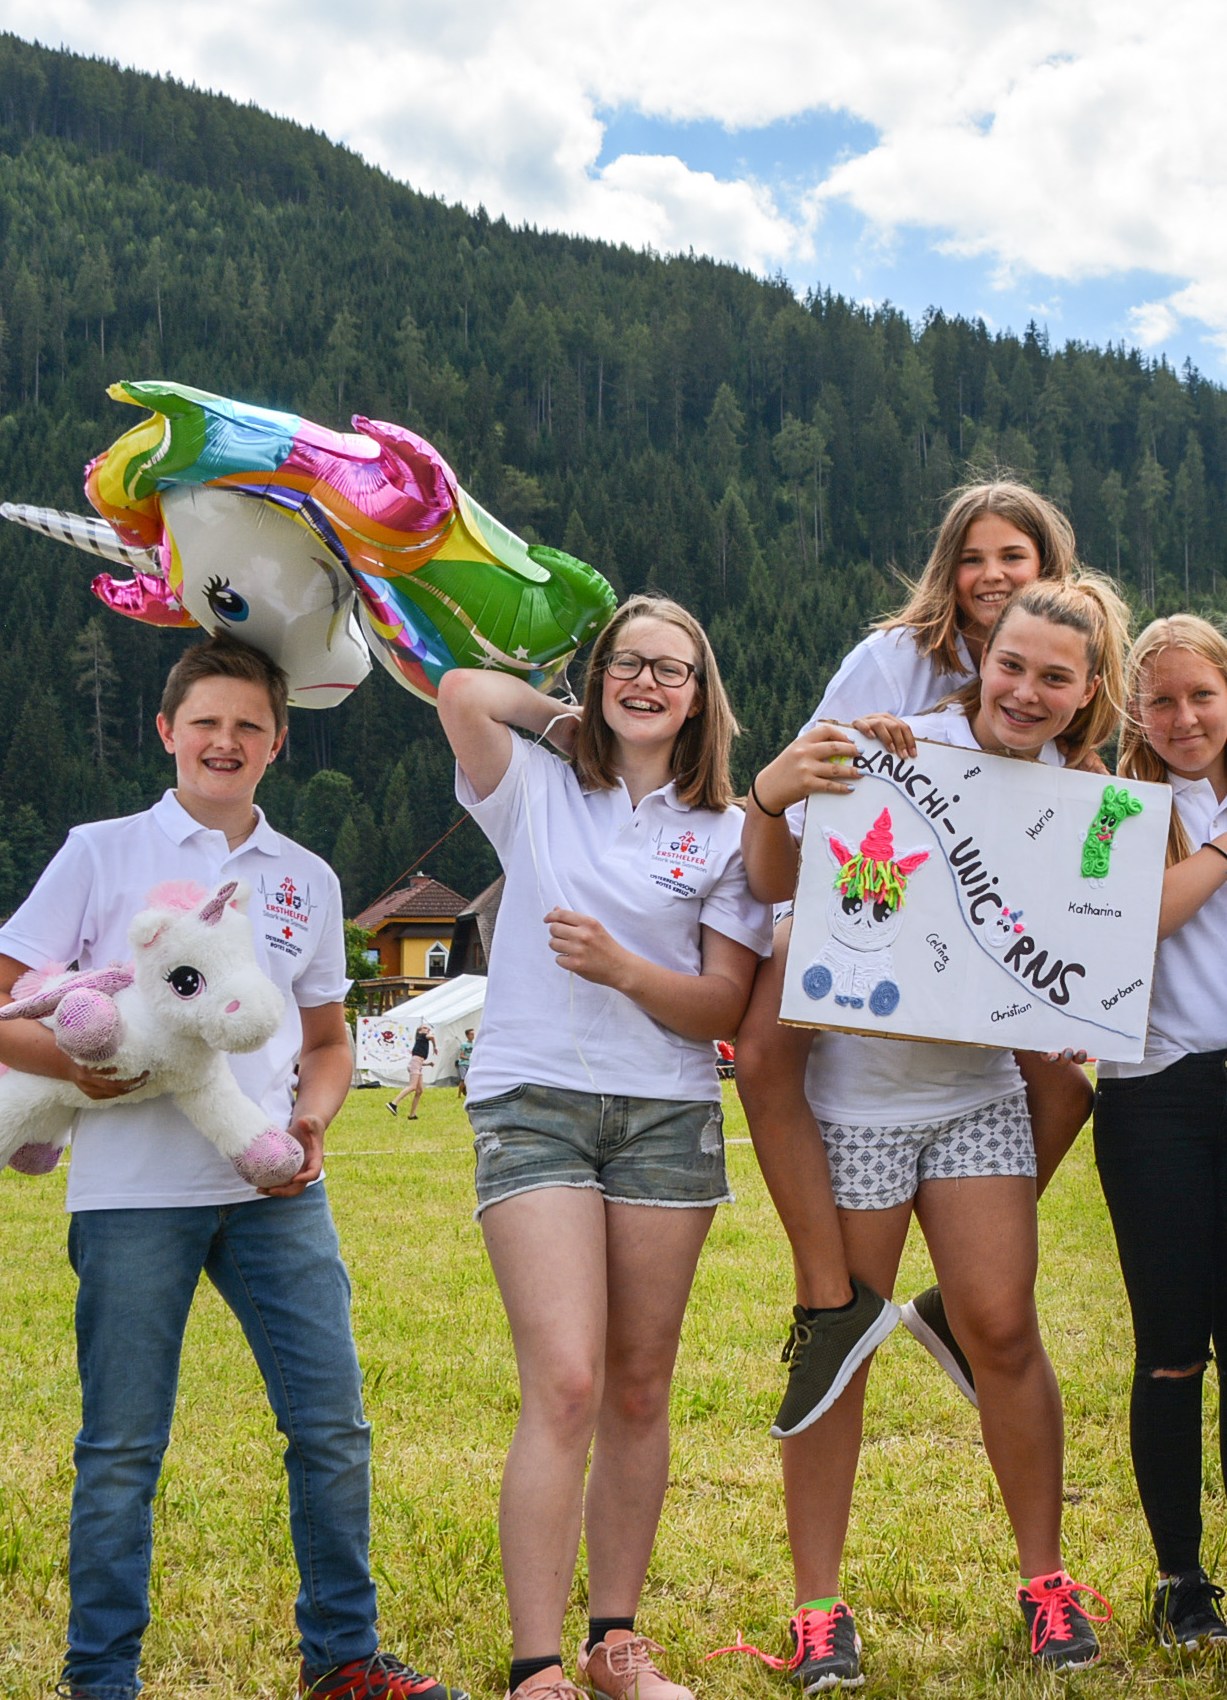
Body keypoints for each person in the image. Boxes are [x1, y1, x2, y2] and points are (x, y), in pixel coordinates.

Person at [0, 634, 451, 1700]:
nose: (224, 741)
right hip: (134, 1198)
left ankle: (345, 1658)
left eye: (247, 725)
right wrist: (73, 1073)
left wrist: (317, 1121)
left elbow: (325, 1044)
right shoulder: (99, 852)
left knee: (331, 1426)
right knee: (122, 1450)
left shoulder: (306, 879)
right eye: (205, 722)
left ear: (277, 738)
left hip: (273, 1194)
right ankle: (99, 1680)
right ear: (167, 731)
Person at [743, 577, 1131, 1686]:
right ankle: (819, 1607)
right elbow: (774, 881)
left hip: (976, 1100)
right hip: (858, 1096)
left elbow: (1104, 942)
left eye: (1055, 676)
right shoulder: (895, 746)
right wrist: (780, 797)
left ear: (1084, 691)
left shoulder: (1084, 789)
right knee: (843, 1338)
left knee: (1003, 1328)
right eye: (1012, 664)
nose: (1027, 689)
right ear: (982, 657)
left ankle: (1045, 1583)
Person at [438, 596, 768, 1700]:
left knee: (637, 1384)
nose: (648, 681)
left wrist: (625, 966)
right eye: (629, 661)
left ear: (700, 695)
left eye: (673, 669)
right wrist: (566, 712)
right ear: (600, 676)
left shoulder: (723, 830)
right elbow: (461, 690)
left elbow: (723, 996)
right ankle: (538, 1664)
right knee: (568, 1380)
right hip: (534, 1098)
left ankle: (614, 1640)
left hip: (666, 1112)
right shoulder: (534, 789)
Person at [736, 480, 1090, 1442]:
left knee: (1064, 1084)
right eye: (971, 557)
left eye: (1011, 558)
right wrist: (873, 748)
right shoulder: (896, 654)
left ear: (1046, 569)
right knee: (767, 1047)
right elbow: (822, 768)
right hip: (849, 893)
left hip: (967, 949)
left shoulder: (1064, 678)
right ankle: (828, 1293)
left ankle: (967, 1292)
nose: (988, 574)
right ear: (946, 568)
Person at [1098, 615, 1227, 1647]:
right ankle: (1182, 1578)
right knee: (1173, 1347)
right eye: (1160, 700)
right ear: (1135, 710)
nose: (1182, 718)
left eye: (1200, 696)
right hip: (1152, 1093)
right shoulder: (1112, 805)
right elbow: (1127, 918)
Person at [391, 1023, 433, 1120]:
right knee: (413, 1086)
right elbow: (432, 1037)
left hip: (417, 1064)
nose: (427, 1030)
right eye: (425, 1028)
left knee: (419, 1090)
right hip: (415, 1064)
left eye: (428, 1029)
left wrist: (428, 1064)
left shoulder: (422, 1042)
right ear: (419, 1031)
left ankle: (412, 1115)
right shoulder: (422, 1036)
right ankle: (394, 1103)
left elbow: (418, 1061)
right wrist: (435, 1046)